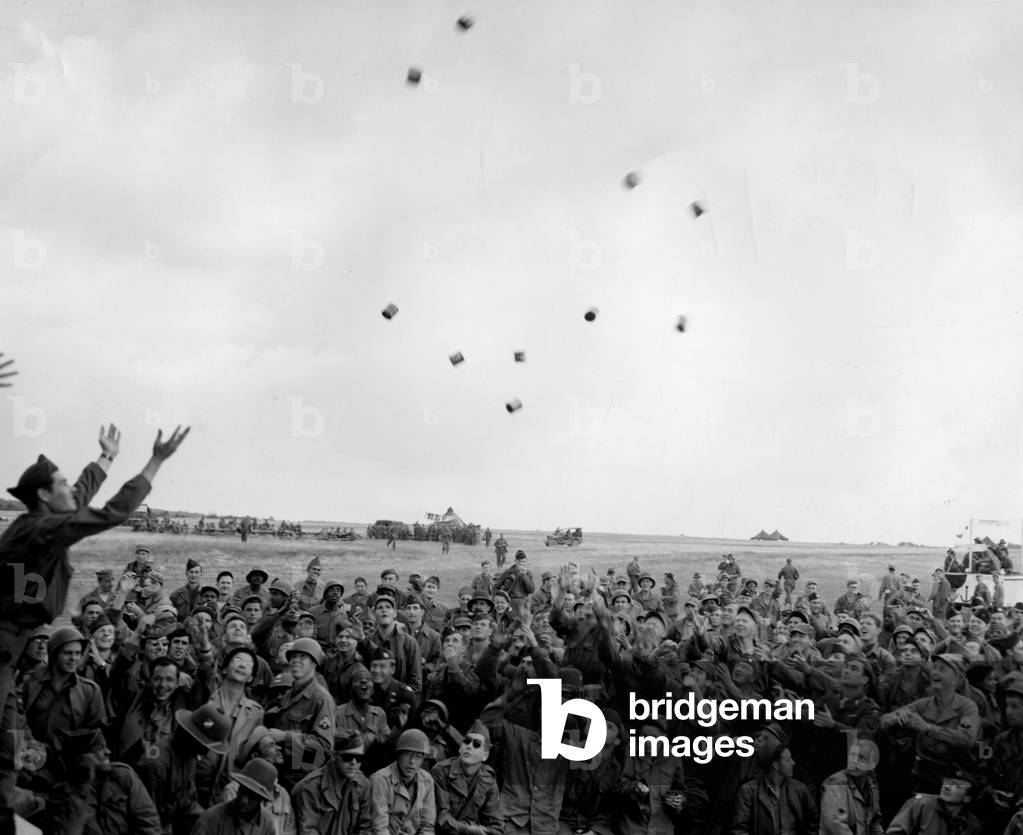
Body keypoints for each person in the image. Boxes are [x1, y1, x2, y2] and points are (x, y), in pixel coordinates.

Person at [0, 424, 189, 807]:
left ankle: (9, 798)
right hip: (1, 642)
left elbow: (80, 494)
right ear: (43, 495)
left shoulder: (41, 519)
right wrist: (155, 461)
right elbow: (110, 513)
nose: (72, 488)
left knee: (6, 731)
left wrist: (106, 457)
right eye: (62, 483)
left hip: (10, 643)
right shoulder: (42, 529)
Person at [292, 729, 373, 835]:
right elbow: (308, 830)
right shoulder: (311, 787)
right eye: (347, 757)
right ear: (334, 755)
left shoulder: (363, 785)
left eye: (359, 758)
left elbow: (365, 827)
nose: (354, 763)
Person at [430, 720, 502, 835]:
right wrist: (470, 830)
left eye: (476, 744)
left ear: (485, 755)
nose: (469, 746)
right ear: (460, 748)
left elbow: (496, 825)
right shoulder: (441, 772)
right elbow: (441, 819)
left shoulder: (488, 779)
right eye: (466, 741)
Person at [368, 729, 436, 835]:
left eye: (418, 756)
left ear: (423, 759)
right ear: (399, 755)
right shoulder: (380, 780)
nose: (412, 761)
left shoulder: (427, 781)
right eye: (407, 754)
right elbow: (379, 827)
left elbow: (427, 826)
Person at [190, 758, 278, 835]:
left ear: (261, 799)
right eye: (242, 791)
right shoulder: (210, 820)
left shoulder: (267, 823)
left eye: (252, 797)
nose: (244, 800)